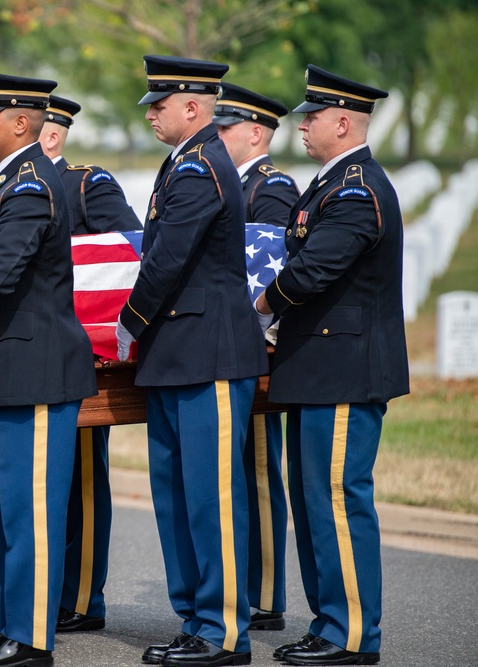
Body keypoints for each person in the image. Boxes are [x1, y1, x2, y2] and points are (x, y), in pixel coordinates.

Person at [0, 70, 97, 667]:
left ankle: (27, 639)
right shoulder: (6, 185)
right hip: (4, 366)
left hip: (34, 367)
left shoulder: (32, 186)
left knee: (28, 512)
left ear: (23, 123)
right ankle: (0, 627)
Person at [114, 55, 268, 667]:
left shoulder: (202, 167)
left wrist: (128, 321)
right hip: (177, 354)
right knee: (177, 494)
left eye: (160, 104)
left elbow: (169, 259)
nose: (151, 114)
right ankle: (196, 621)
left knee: (210, 498)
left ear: (195, 107)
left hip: (208, 353)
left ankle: (224, 631)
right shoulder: (182, 163)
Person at [254, 65, 409, 667]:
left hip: (343, 369)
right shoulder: (332, 183)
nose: (303, 124)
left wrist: (259, 309)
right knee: (316, 499)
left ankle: (350, 635)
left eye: (312, 116)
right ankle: (328, 625)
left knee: (338, 499)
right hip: (319, 368)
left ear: (342, 122)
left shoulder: (355, 188)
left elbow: (313, 269)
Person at [37, 94, 141, 634]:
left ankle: (80, 597)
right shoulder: (4, 184)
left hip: (81, 351)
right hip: (22, 350)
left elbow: (124, 252)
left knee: (80, 479)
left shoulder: (85, 183)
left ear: (50, 135)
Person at [213, 82, 300, 634]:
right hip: (228, 341)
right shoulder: (226, 182)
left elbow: (269, 270)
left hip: (257, 343)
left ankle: (265, 593)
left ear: (256, 133)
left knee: (260, 470)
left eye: (226, 128)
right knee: (239, 468)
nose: (217, 136)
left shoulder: (270, 188)